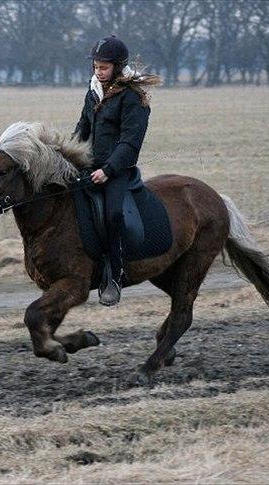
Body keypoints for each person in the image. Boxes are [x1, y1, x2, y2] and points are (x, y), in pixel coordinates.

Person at [73, 35, 161, 306]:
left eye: (103, 68)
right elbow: (82, 129)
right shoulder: (93, 92)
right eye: (96, 67)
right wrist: (67, 156)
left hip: (118, 170)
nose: (98, 72)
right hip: (90, 166)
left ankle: (114, 275)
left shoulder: (133, 98)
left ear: (118, 67)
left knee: (113, 214)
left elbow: (130, 142)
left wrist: (108, 170)